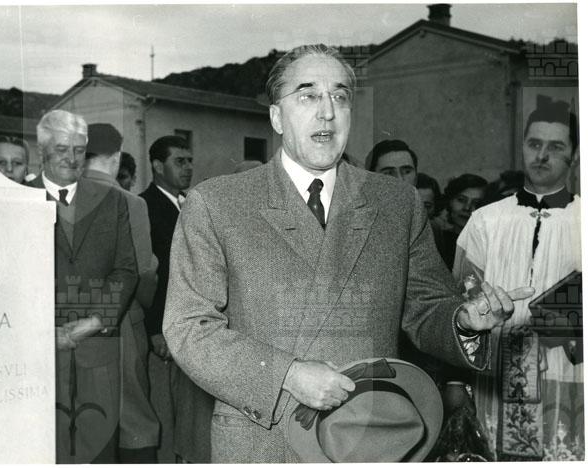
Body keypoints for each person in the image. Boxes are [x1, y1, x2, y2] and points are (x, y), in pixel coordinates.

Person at [162, 44, 533, 463]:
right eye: (308, 95)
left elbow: (427, 307)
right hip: (263, 439)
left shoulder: (396, 204)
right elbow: (189, 329)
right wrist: (288, 375)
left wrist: (463, 321)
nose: (327, 112)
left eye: (339, 96)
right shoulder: (217, 203)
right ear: (277, 117)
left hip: (369, 436)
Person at [454, 97, 583, 460]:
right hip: (498, 373)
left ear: (574, 155)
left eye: (555, 147)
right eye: (534, 144)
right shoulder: (486, 220)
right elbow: (458, 303)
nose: (541, 155)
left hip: (569, 375)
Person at [26, 110, 138, 463]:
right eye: (62, 149)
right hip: (34, 357)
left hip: (97, 350)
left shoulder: (112, 201)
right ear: (42, 150)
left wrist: (93, 322)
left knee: (99, 453)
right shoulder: (17, 198)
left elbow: (125, 270)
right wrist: (43, 332)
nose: (72, 158)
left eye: (79, 150)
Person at [83, 123, 160, 463]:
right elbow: (143, 271)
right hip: (123, 318)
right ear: (115, 158)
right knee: (134, 416)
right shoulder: (130, 202)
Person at [140, 135, 213, 463]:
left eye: (190, 161)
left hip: (192, 325)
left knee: (189, 411)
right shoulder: (144, 206)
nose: (188, 168)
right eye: (179, 161)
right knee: (163, 411)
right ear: (158, 166)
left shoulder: (190, 204)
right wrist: (154, 329)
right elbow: (149, 274)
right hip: (163, 329)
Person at [434, 174, 487, 270]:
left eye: (476, 203)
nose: (467, 208)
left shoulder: (488, 245)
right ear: (450, 201)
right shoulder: (438, 241)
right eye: (461, 200)